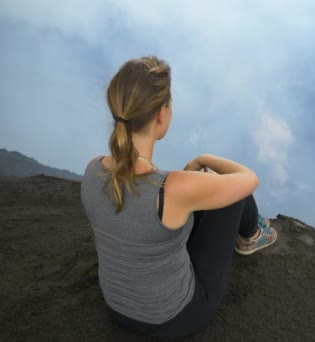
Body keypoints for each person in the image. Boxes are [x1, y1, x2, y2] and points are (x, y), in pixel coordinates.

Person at [80, 56, 278, 338]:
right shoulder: (172, 188)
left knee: (205, 195)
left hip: (117, 308)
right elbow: (248, 181)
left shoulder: (91, 171)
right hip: (175, 318)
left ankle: (251, 231)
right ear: (162, 114)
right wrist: (203, 158)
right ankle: (252, 236)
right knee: (229, 193)